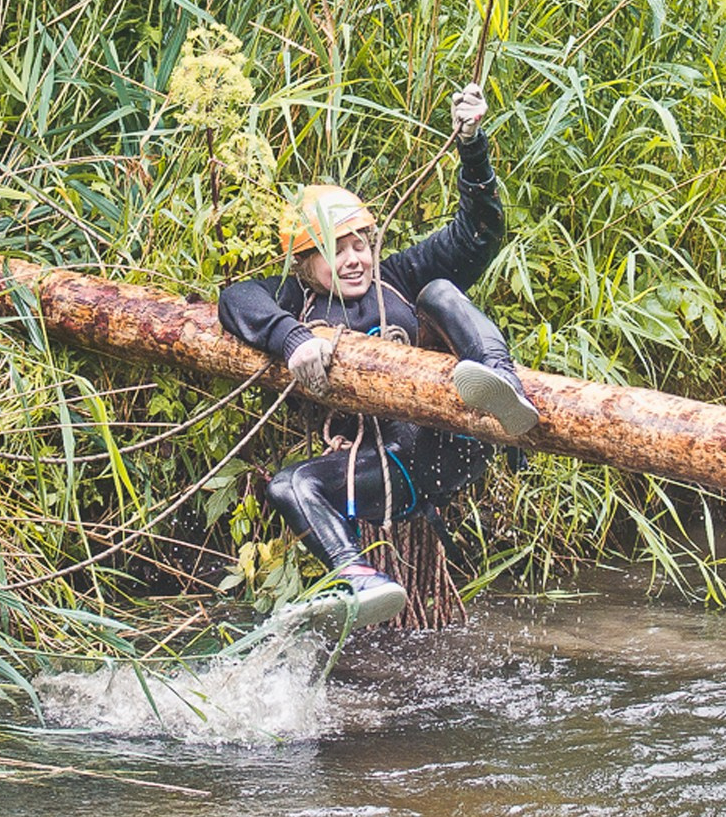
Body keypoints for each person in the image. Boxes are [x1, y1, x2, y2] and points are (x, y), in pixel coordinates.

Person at [217, 83, 539, 627]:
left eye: (359, 245)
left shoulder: (398, 278)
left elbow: (478, 235)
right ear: (303, 262)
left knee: (439, 292)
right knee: (288, 485)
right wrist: (293, 339)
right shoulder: (295, 299)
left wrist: (473, 146)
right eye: (333, 250)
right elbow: (234, 298)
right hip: (388, 470)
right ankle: (356, 576)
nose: (352, 260)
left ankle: (504, 388)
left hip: (453, 439)